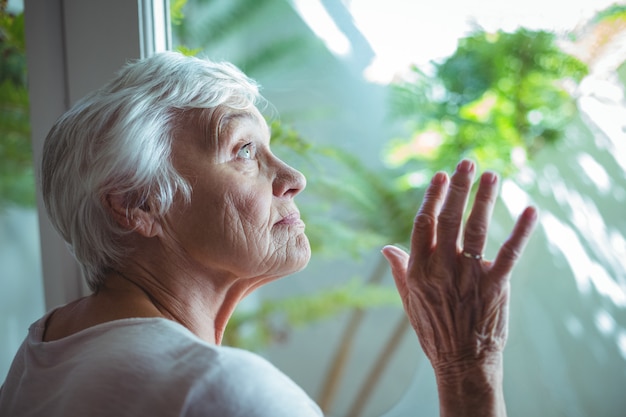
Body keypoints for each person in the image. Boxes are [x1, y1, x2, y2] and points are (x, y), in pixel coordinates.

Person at [0, 51, 537, 417]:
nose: (294, 178)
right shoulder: (218, 391)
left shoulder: (45, 348)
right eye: (243, 151)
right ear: (137, 204)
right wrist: (469, 365)